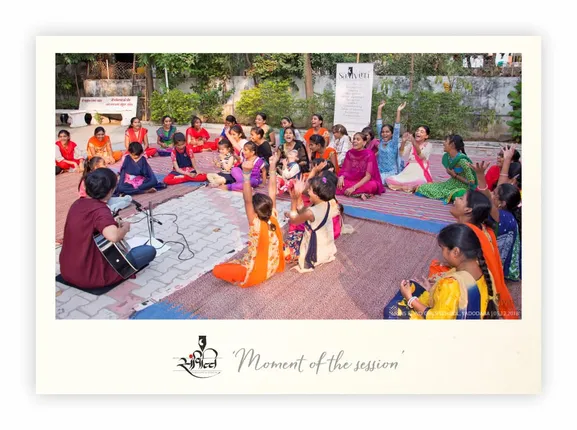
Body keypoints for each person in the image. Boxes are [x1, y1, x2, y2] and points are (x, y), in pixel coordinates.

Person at [59, 168, 156, 289]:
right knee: (149, 251)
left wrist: (114, 223)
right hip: (88, 276)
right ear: (110, 191)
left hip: (67, 270)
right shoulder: (100, 210)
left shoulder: (77, 204)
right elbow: (113, 236)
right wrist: (125, 227)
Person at [383, 223, 498, 320]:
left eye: (443, 249)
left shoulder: (451, 285)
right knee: (411, 285)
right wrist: (432, 288)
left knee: (391, 310)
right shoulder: (483, 269)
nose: (442, 254)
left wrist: (410, 299)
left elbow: (436, 319)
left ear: (456, 252)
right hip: (463, 312)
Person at [212, 153, 284, 287]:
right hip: (273, 265)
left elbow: (247, 200)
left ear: (255, 212)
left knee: (217, 270)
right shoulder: (273, 215)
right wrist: (272, 166)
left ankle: (243, 274)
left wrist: (246, 175)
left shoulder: (255, 223)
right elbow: (273, 190)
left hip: (257, 270)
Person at [472, 145, 522, 281]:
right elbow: (498, 190)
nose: (492, 194)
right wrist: (506, 161)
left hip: (499, 266)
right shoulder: (506, 211)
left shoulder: (501, 216)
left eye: (494, 194)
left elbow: (489, 195)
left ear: (501, 203)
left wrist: (481, 177)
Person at [287, 175, 339, 273]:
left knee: (289, 243)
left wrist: (294, 200)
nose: (307, 192)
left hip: (315, 252)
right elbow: (303, 212)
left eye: (309, 189)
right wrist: (298, 196)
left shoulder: (311, 212)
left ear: (316, 194)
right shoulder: (327, 202)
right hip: (326, 248)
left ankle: (305, 260)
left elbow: (294, 220)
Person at [415, 134, 477, 203]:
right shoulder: (447, 157)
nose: (443, 143)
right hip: (451, 183)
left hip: (462, 187)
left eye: (446, 141)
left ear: (452, 145)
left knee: (455, 194)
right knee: (424, 187)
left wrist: (455, 176)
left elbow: (472, 183)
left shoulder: (462, 161)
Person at [336, 132, 385, 200]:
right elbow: (345, 170)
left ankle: (356, 192)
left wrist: (353, 188)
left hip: (365, 181)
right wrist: (341, 177)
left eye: (358, 139)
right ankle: (361, 194)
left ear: (364, 142)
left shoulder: (369, 154)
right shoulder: (349, 153)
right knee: (336, 182)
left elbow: (368, 176)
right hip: (351, 179)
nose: (354, 141)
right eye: (354, 139)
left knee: (373, 186)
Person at [385, 125, 433, 192]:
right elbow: (402, 154)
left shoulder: (428, 145)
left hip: (420, 170)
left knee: (418, 182)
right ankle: (411, 187)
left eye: (422, 132)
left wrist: (414, 142)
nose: (418, 133)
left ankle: (413, 187)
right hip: (409, 170)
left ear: (426, 136)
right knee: (391, 180)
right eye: (417, 131)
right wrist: (403, 142)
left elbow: (421, 156)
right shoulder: (411, 144)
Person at [376, 100, 406, 183]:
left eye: (387, 132)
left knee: (382, 182)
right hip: (379, 171)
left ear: (392, 134)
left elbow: (397, 127)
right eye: (383, 132)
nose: (384, 134)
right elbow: (378, 124)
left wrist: (398, 111)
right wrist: (379, 108)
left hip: (391, 173)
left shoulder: (393, 143)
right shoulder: (381, 141)